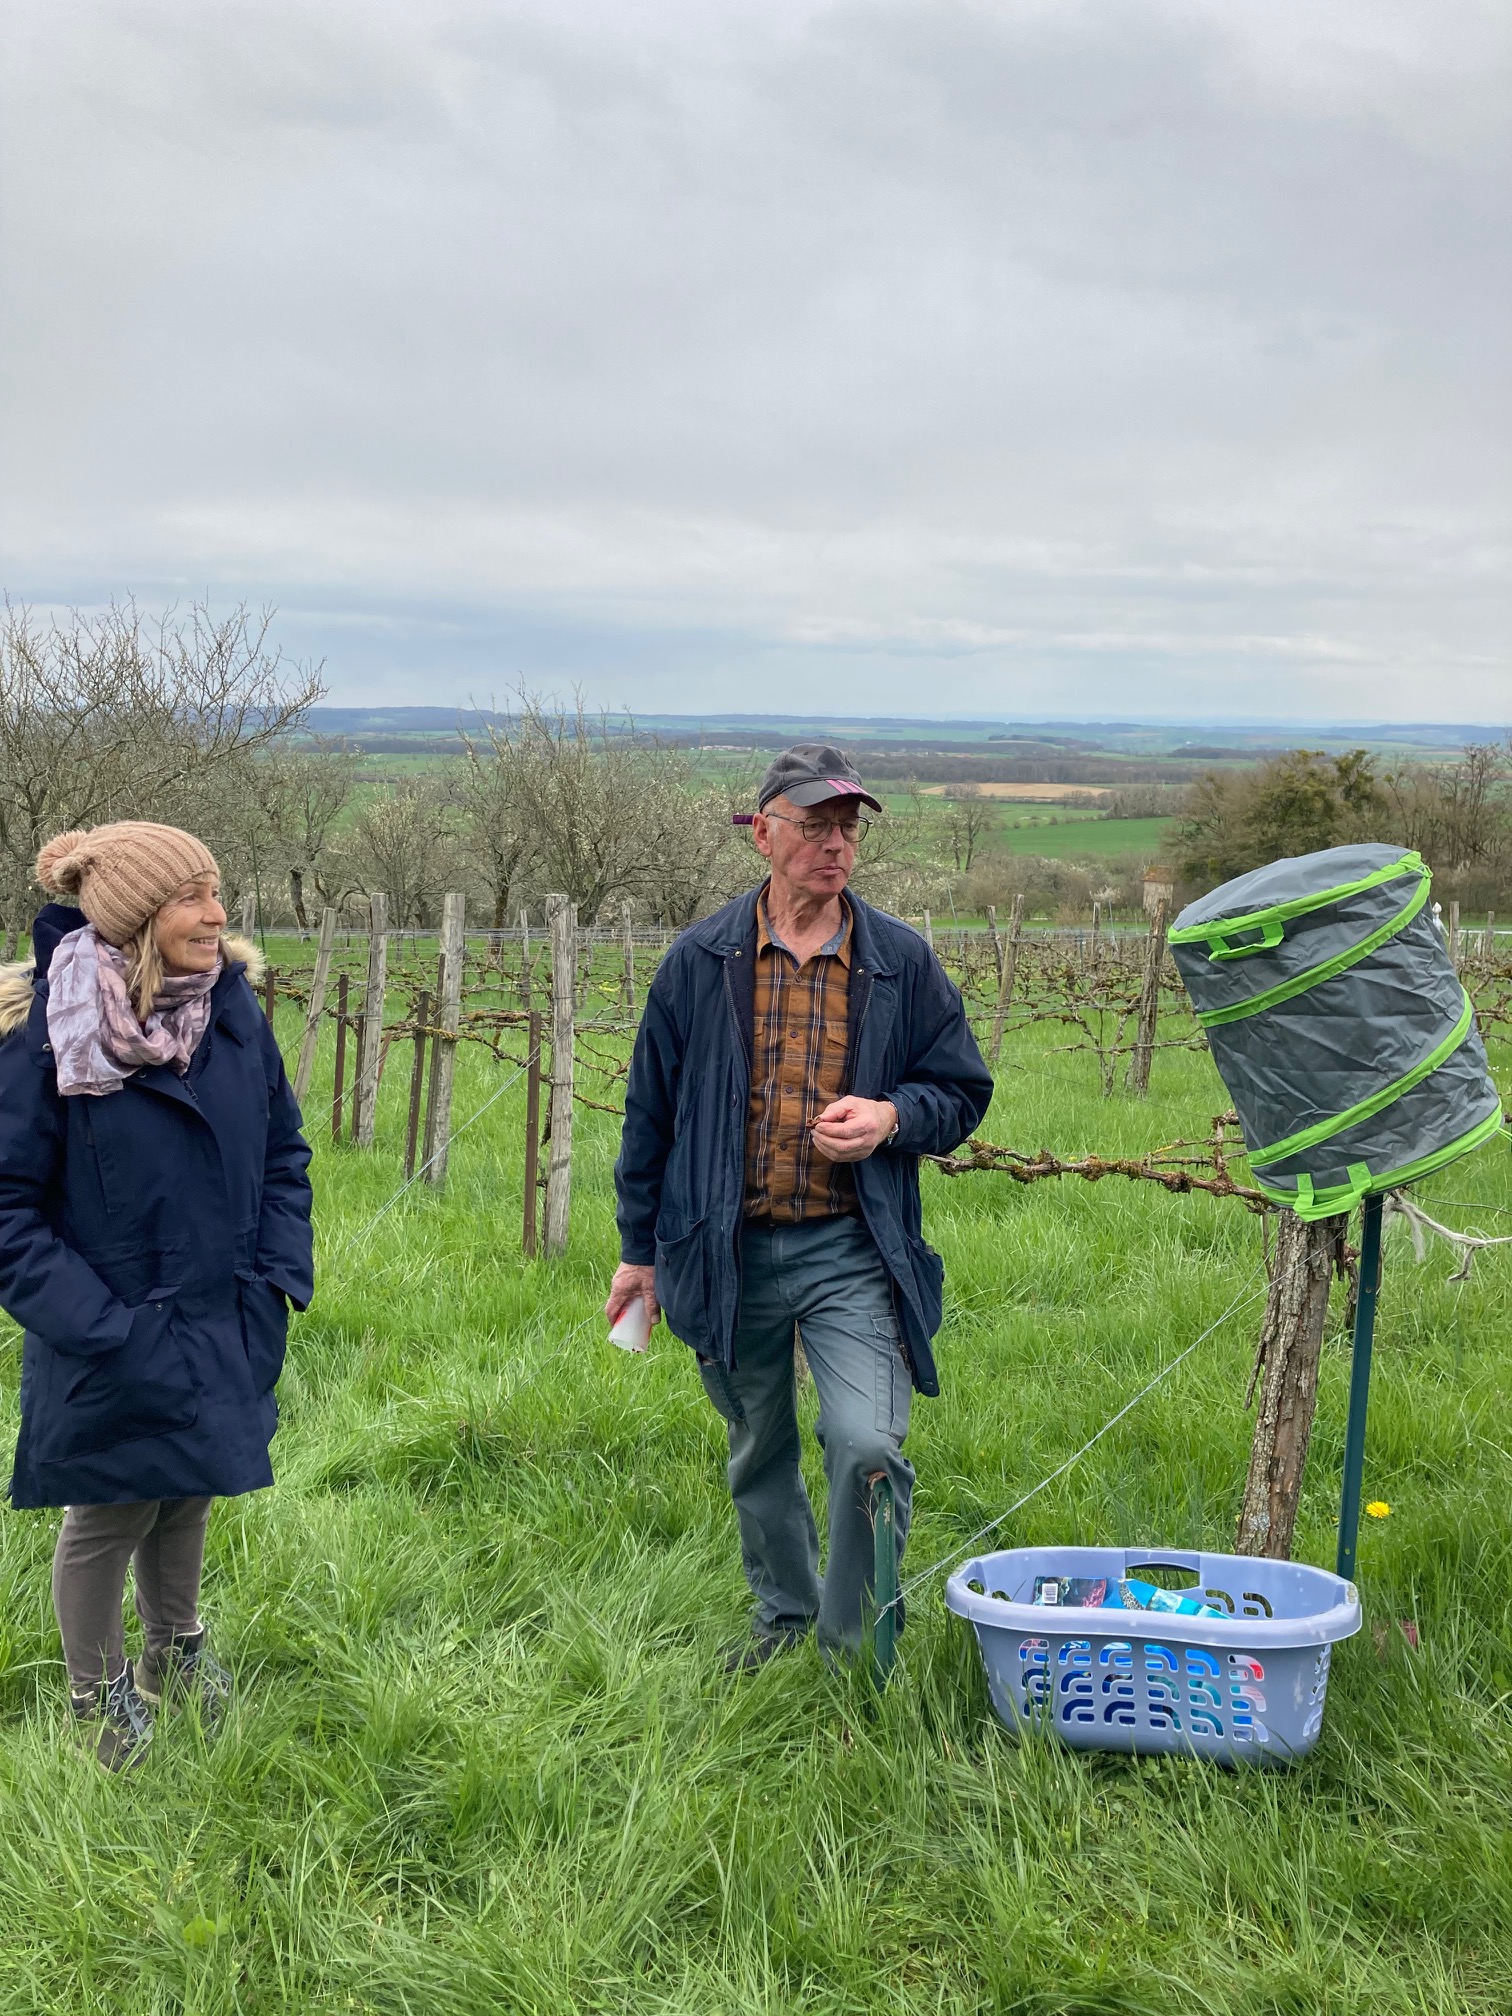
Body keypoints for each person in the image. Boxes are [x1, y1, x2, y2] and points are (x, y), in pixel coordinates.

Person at [607, 744, 992, 1668]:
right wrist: (640, 1249)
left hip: (850, 1249)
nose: (835, 847)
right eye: (815, 827)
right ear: (764, 835)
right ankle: (784, 1622)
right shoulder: (699, 961)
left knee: (866, 1444)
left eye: (847, 829)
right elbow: (649, 1114)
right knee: (760, 1450)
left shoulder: (899, 961)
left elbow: (962, 1091)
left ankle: (856, 1653)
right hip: (724, 1246)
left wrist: (893, 1116)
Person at [0, 821, 314, 1770]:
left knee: (188, 1489)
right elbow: (8, 1210)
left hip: (223, 1309)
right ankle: (97, 1703)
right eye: (190, 897)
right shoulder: (46, 1037)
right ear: (137, 915)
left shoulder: (231, 1014)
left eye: (217, 894)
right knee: (108, 1511)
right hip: (109, 1324)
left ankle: (172, 1654)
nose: (217, 915)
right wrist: (104, 1328)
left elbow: (282, 1153)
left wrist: (275, 1281)